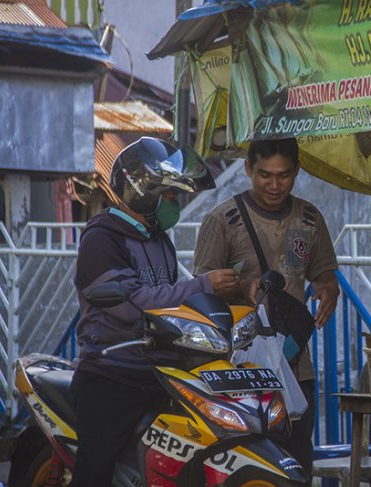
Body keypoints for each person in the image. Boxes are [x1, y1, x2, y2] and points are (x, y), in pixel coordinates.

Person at [69, 137, 239, 487]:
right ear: (142, 192)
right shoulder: (102, 239)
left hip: (159, 373)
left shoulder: (158, 238)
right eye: (172, 196)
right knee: (94, 472)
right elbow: (134, 303)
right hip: (111, 376)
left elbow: (170, 300)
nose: (175, 206)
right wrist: (204, 285)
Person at [193, 138, 340, 481]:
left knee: (295, 464)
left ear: (297, 172)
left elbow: (325, 274)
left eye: (284, 176)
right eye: (265, 175)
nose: (275, 185)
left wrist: (328, 290)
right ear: (247, 169)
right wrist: (242, 288)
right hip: (239, 372)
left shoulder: (309, 218)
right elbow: (201, 289)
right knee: (243, 468)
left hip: (295, 368)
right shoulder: (222, 220)